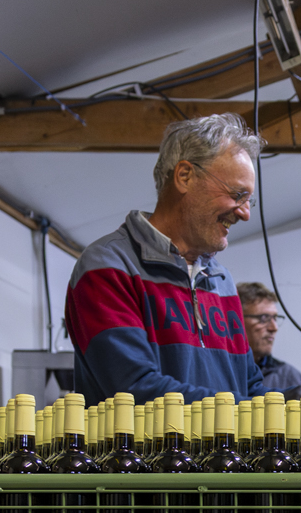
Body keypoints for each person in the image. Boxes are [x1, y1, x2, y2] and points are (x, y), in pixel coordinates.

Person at [63, 114, 265, 403]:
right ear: (185, 176)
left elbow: (251, 389)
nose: (245, 213)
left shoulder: (221, 281)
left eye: (248, 200)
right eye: (237, 195)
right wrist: (244, 412)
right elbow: (134, 390)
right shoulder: (108, 267)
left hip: (222, 449)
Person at [238, 281, 301, 397]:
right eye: (263, 318)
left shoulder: (288, 375)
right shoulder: (218, 373)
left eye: (275, 318)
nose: (274, 328)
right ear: (236, 320)